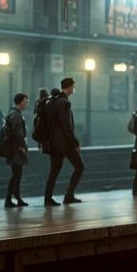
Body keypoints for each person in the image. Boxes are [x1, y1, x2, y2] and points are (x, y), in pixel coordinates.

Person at [44, 77, 85, 206]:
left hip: (53, 143)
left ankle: (48, 198)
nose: (74, 89)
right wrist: (75, 143)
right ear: (69, 87)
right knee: (80, 166)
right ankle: (69, 195)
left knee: (54, 170)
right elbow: (67, 126)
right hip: (64, 144)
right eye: (73, 86)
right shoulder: (64, 103)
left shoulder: (52, 101)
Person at [3, 93, 30, 208]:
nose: (26, 103)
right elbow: (18, 133)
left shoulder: (13, 113)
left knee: (16, 175)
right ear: (20, 102)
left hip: (13, 148)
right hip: (16, 149)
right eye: (25, 101)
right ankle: (10, 199)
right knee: (16, 175)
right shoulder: (16, 115)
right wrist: (23, 146)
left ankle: (17, 198)